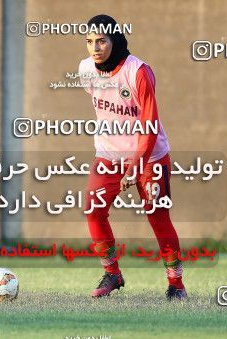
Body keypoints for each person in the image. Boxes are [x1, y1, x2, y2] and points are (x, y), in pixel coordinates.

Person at [79, 14, 187, 301]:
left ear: (115, 40)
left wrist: (135, 167)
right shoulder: (86, 70)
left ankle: (176, 284)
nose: (95, 48)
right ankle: (112, 273)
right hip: (109, 155)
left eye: (101, 41)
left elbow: (149, 126)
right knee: (93, 209)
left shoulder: (138, 72)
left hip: (150, 156)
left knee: (158, 216)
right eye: (89, 42)